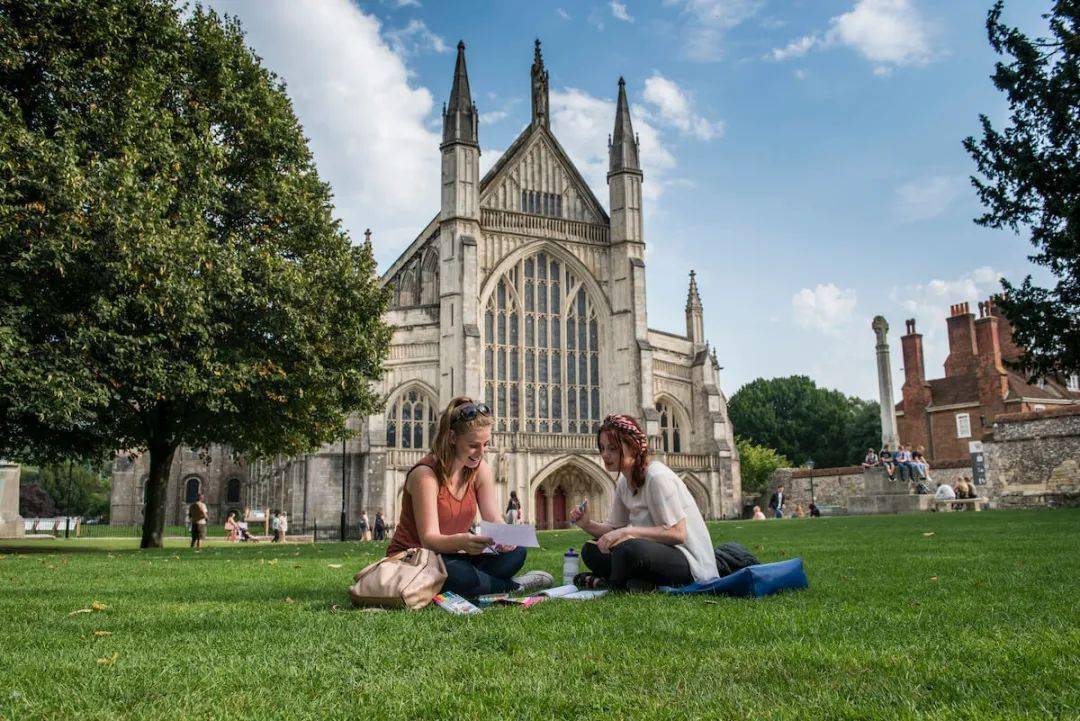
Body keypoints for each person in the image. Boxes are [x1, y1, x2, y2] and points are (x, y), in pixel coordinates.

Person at [386, 396, 552, 598]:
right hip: (415, 559)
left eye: (486, 444)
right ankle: (512, 587)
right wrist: (462, 542)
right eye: (474, 445)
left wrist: (506, 537)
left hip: (453, 554)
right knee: (458, 574)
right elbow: (429, 540)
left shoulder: (479, 469)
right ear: (452, 438)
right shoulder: (425, 475)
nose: (481, 452)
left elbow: (492, 517)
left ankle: (482, 583)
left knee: (516, 554)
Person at [569, 414, 719, 593]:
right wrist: (586, 524)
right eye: (602, 448)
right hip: (655, 553)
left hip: (689, 562)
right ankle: (638, 583)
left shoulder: (657, 477)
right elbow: (613, 529)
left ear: (633, 448)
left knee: (629, 550)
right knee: (591, 549)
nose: (605, 455)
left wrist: (628, 532)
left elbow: (677, 534)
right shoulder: (624, 482)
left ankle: (613, 584)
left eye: (612, 448)